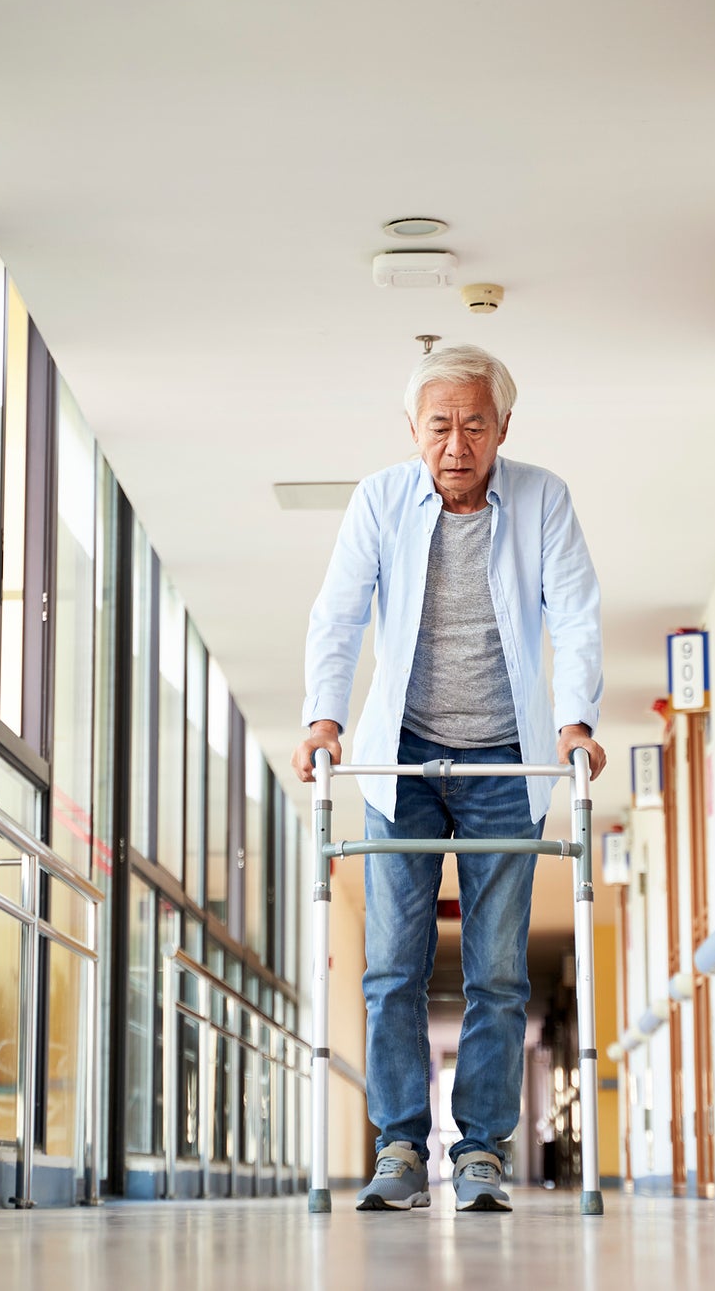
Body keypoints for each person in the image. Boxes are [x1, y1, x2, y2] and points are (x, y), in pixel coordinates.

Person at [294, 344, 604, 1212]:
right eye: (439, 425)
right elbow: (341, 609)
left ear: (504, 426)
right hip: (403, 758)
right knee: (392, 964)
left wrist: (576, 717)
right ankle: (399, 1146)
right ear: (413, 429)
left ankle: (480, 1152)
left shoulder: (544, 499)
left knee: (498, 969)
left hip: (507, 756)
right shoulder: (379, 499)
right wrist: (325, 715)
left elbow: (576, 610)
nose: (456, 443)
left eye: (474, 424)